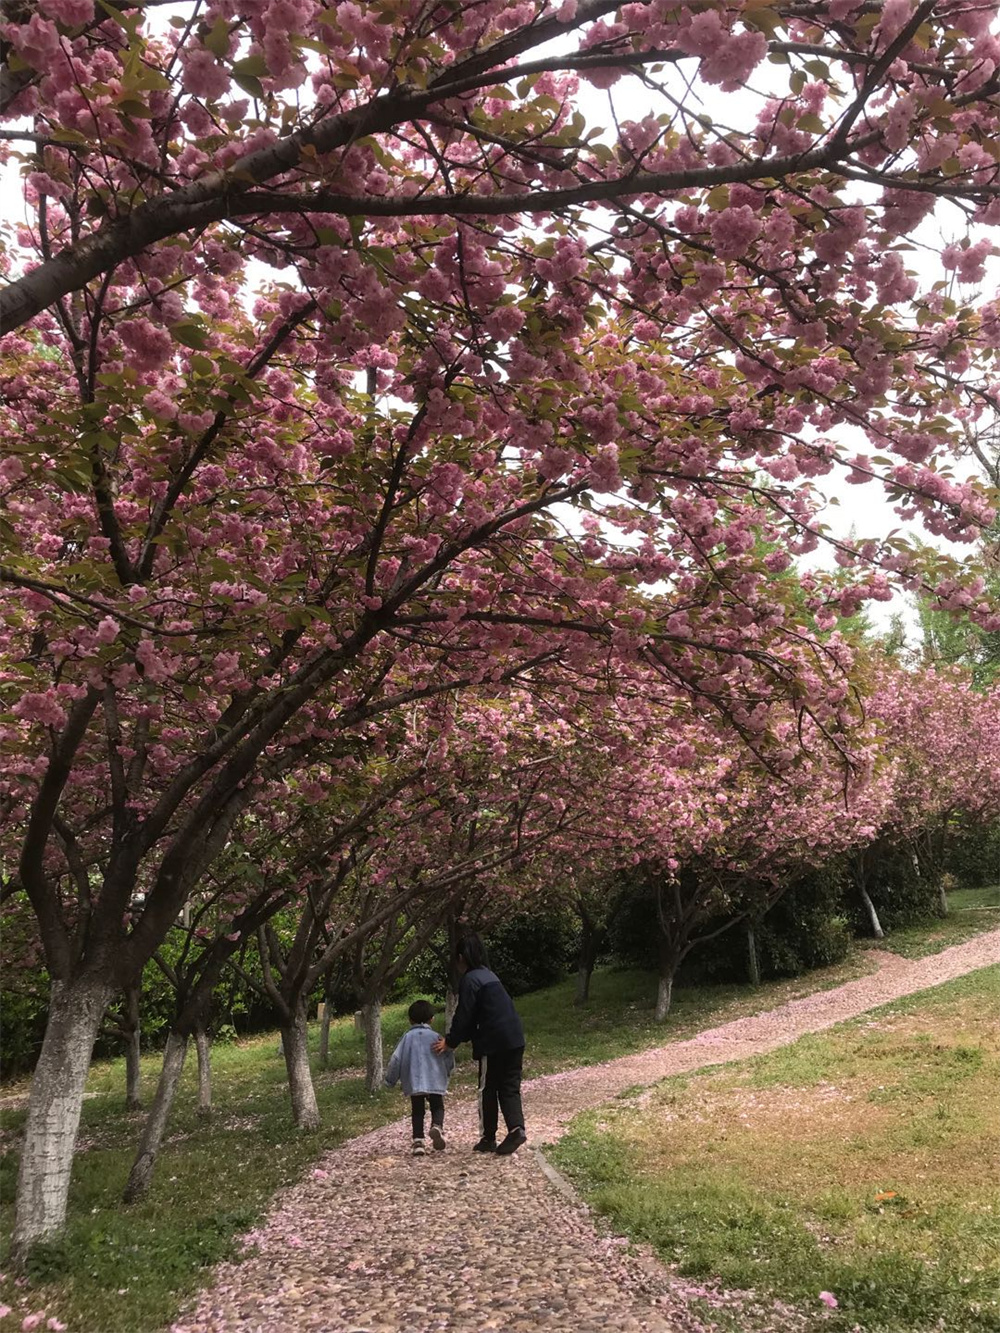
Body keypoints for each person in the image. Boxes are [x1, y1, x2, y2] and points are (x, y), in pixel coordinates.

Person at [433, 933, 527, 1156]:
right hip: (514, 1038)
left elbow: (464, 1015)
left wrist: (451, 1041)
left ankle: (488, 1138)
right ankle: (516, 1129)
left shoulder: (470, 979)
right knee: (509, 1087)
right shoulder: (490, 975)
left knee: (488, 1088)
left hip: (493, 1042)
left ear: (460, 958)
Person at [384, 999, 455, 1156]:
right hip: (435, 1079)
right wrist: (449, 1071)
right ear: (432, 1019)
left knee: (417, 1111)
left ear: (410, 1020)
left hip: (414, 1081)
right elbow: (448, 1055)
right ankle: (436, 1126)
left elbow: (395, 1060)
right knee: (437, 1106)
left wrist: (390, 1080)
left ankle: (418, 1142)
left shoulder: (407, 1038)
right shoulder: (437, 1037)